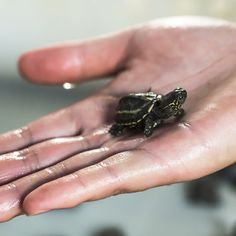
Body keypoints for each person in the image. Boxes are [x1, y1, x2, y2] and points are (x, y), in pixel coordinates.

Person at [0, 16, 235, 222]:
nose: (179, 98)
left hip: (150, 104)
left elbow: (170, 112)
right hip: (132, 111)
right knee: (120, 128)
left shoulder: (170, 109)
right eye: (176, 98)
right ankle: (117, 128)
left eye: (179, 99)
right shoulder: (155, 111)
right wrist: (141, 128)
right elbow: (148, 122)